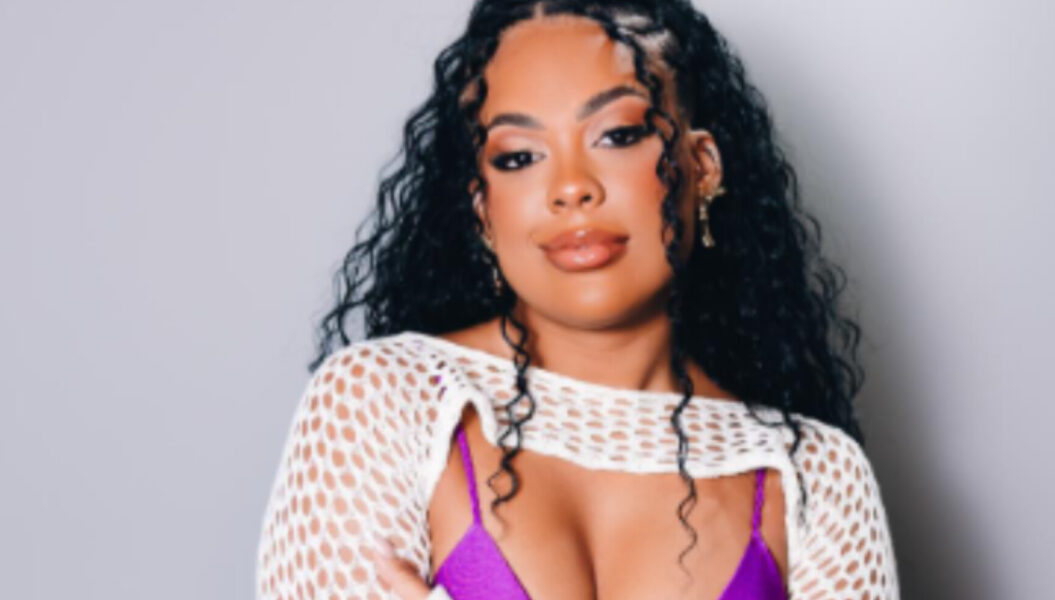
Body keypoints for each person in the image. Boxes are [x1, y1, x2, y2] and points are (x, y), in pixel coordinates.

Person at [255, 1, 899, 598]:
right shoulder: (382, 403)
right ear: (482, 208)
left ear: (703, 167)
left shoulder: (816, 475)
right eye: (518, 157)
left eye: (617, 135)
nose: (571, 188)